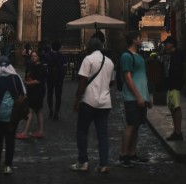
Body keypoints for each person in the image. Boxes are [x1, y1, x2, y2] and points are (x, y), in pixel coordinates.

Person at [71, 36, 114, 173]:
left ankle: (83, 162)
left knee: (82, 131)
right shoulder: (109, 62)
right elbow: (111, 82)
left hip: (89, 101)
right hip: (105, 103)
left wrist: (77, 99)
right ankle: (104, 164)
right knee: (103, 134)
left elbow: (82, 81)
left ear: (90, 47)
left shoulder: (88, 59)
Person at [0, 55, 26, 175]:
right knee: (10, 139)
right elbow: (22, 94)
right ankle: (8, 165)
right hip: (13, 116)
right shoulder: (16, 79)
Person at [119, 31, 151, 167]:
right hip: (132, 97)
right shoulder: (127, 56)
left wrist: (147, 96)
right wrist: (138, 96)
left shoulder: (138, 56)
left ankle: (132, 153)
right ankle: (123, 154)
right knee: (131, 124)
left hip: (141, 96)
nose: (141, 39)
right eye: (139, 38)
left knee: (137, 125)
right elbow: (128, 77)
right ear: (133, 40)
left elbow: (143, 77)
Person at [16, 49, 46, 139]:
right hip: (33, 91)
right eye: (32, 56)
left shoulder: (40, 67)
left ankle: (25, 132)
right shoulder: (32, 66)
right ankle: (40, 131)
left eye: (35, 56)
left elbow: (38, 80)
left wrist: (27, 83)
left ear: (39, 57)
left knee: (30, 111)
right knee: (38, 111)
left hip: (37, 91)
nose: (33, 58)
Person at [163, 36, 184, 141]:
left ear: (172, 44)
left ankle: (178, 132)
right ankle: (176, 131)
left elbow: (176, 71)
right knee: (172, 107)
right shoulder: (171, 55)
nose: (165, 45)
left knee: (176, 107)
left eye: (167, 43)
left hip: (175, 85)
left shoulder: (177, 55)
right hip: (171, 86)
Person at [46, 41, 67, 120]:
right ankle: (56, 112)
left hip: (50, 78)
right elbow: (65, 67)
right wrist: (62, 76)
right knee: (58, 95)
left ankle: (51, 109)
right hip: (59, 78)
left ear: (52, 47)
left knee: (50, 94)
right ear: (59, 47)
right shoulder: (62, 56)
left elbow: (45, 67)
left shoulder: (47, 56)